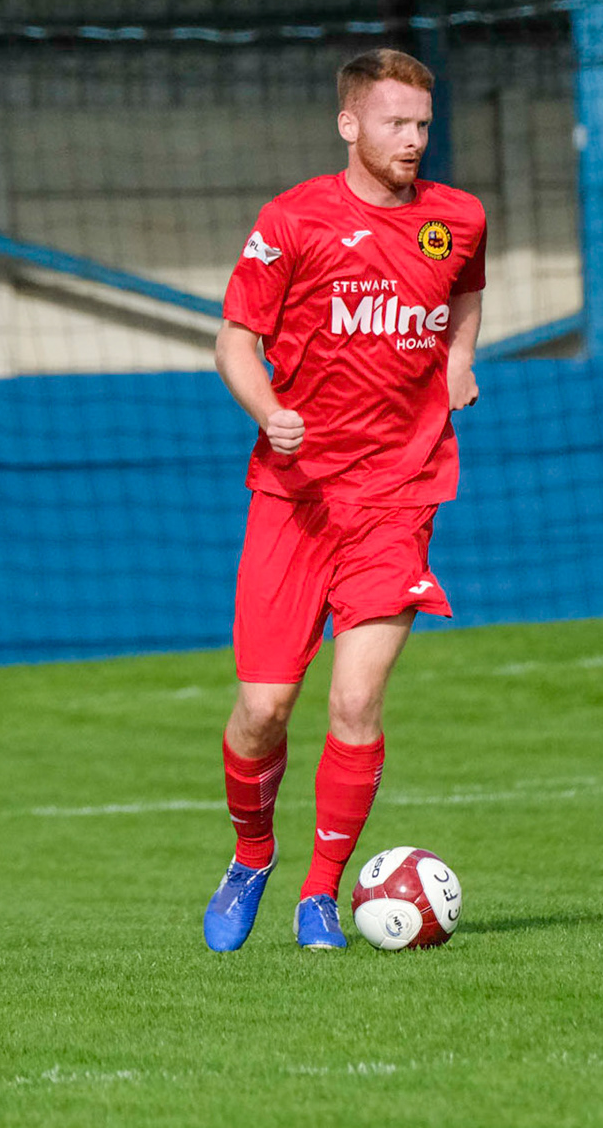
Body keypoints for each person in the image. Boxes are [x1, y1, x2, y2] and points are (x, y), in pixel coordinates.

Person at [202, 48, 486, 949]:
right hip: (293, 497)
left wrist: (458, 360)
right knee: (264, 711)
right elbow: (234, 342)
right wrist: (269, 409)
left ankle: (320, 894)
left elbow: (465, 295)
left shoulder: (459, 219)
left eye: (424, 125)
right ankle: (252, 856)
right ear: (350, 124)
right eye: (398, 123)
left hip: (399, 496)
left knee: (356, 702)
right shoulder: (292, 221)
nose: (414, 140)